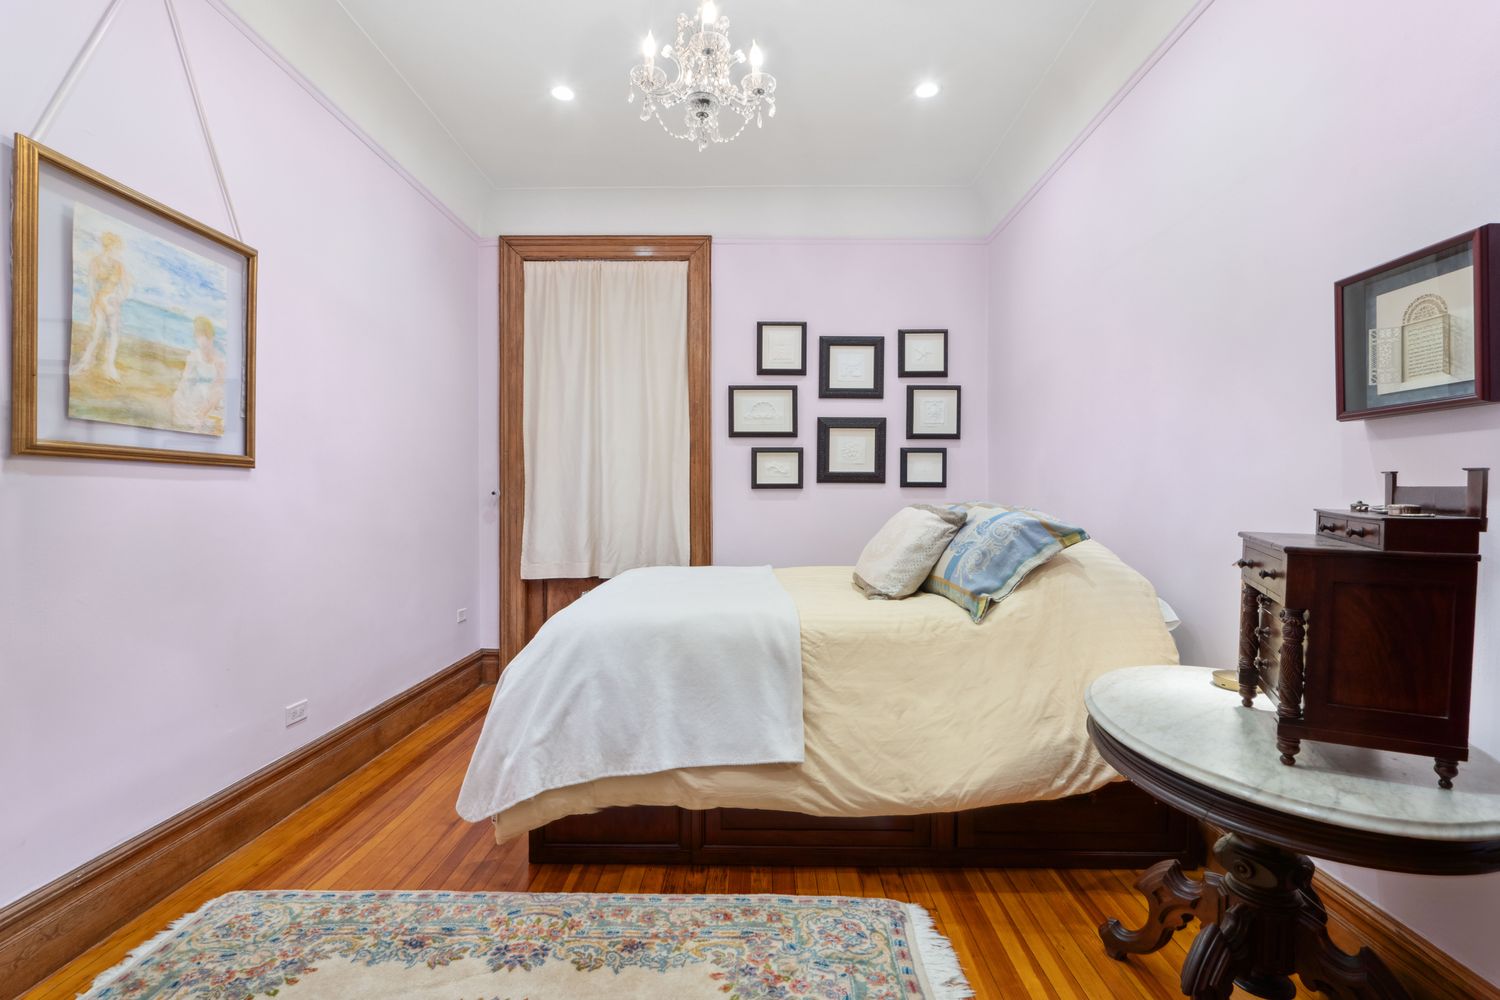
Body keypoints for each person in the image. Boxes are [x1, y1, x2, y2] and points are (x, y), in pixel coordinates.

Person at [72, 231, 131, 382]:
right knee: (96, 332)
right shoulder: (96, 262)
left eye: (118, 249)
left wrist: (117, 299)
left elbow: (126, 287)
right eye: (116, 248)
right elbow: (91, 284)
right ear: (109, 247)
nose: (118, 251)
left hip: (113, 302)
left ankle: (109, 366)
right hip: (99, 301)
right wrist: (96, 302)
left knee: (114, 334)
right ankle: (85, 363)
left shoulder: (120, 266)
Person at [171, 316, 226, 434]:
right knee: (179, 397)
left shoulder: (219, 360)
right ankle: (197, 420)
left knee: (217, 392)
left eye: (204, 336)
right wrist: (181, 391)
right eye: (198, 336)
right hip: (195, 393)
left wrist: (212, 392)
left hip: (210, 395)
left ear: (210, 337)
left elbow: (220, 382)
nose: (201, 341)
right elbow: (186, 379)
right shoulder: (194, 356)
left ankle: (201, 418)